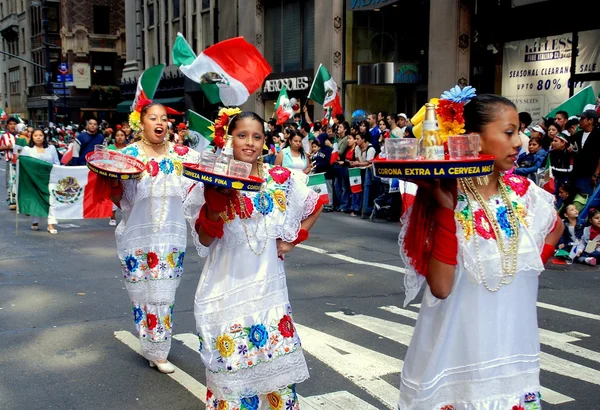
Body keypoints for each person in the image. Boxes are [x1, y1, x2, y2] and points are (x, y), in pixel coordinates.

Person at [397, 94, 563, 409]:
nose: (520, 141)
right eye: (509, 132)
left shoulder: (524, 194)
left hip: (514, 363)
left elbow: (556, 226)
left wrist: (525, 267)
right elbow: (441, 287)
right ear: (473, 139)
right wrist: (446, 212)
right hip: (460, 363)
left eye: (519, 132)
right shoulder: (449, 198)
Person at [184, 111, 323, 410]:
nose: (249, 143)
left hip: (268, 296)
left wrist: (293, 239)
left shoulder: (280, 179)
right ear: (228, 139)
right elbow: (205, 240)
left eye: (257, 136)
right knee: (233, 379)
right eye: (242, 135)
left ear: (265, 141)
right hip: (225, 293)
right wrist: (213, 205)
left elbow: (316, 203)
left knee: (277, 383)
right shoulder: (213, 178)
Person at [109, 103, 200, 374]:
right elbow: (118, 198)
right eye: (153, 117)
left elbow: (206, 175)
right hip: (137, 236)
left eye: (164, 118)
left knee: (164, 294)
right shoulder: (128, 157)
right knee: (141, 295)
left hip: (170, 237)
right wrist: (111, 182)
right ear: (142, 123)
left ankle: (158, 350)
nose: (160, 122)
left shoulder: (181, 155)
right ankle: (149, 344)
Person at [20, 129, 60, 234]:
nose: (38, 137)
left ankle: (51, 224)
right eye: (36, 135)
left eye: (41, 135)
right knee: (36, 200)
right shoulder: (27, 149)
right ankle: (35, 222)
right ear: (32, 137)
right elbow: (23, 163)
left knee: (51, 200)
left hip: (49, 178)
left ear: (44, 137)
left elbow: (57, 162)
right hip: (34, 179)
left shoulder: (51, 148)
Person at [571, 109, 600, 195]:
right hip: (577, 173)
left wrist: (596, 174)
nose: (580, 120)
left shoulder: (598, 135)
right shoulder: (578, 135)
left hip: (591, 175)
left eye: (583, 118)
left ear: (590, 121)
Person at [352, 132, 377, 219]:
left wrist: (357, 164)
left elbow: (368, 162)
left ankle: (365, 209)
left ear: (363, 139)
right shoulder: (357, 148)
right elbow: (358, 160)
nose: (356, 140)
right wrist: (356, 163)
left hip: (368, 173)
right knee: (357, 189)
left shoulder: (371, 149)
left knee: (366, 191)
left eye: (357, 138)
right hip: (359, 171)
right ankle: (357, 208)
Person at [107, 129, 129, 226]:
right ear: (114, 137)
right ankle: (112, 217)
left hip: (126, 176)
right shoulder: (110, 148)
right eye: (117, 135)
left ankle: (127, 216)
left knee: (127, 196)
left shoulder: (130, 149)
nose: (120, 137)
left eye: (122, 135)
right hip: (113, 176)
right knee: (114, 196)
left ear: (125, 137)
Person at [549, 133, 574, 203]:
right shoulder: (551, 153)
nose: (553, 143)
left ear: (563, 143)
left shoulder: (569, 154)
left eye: (555, 141)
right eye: (553, 141)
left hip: (565, 180)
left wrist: (554, 170)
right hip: (554, 180)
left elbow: (570, 169)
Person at [0, 117, 18, 209]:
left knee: (20, 181)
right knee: (10, 181)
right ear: (7, 126)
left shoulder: (21, 136)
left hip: (21, 162)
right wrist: (7, 146)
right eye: (10, 124)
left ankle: (20, 200)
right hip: (10, 161)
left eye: (14, 124)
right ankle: (12, 200)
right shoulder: (5, 136)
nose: (12, 126)